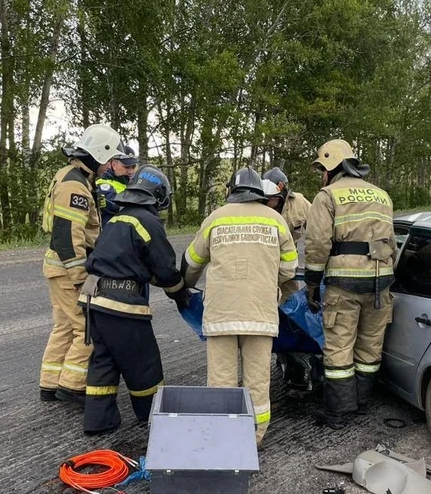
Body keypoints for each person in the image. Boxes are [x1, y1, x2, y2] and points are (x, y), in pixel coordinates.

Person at [182, 167, 298, 445]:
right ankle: (253, 439)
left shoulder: (215, 218)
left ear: (230, 192)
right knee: (257, 381)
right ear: (260, 192)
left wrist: (185, 286)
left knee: (221, 381)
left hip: (221, 314)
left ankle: (222, 441)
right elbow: (290, 268)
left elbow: (191, 263)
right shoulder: (276, 220)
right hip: (260, 313)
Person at [80, 166, 190, 433]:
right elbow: (164, 269)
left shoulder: (117, 219)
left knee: (104, 361)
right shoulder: (148, 222)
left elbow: (133, 265)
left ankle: (98, 422)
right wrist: (181, 294)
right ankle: (151, 415)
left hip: (94, 300)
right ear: (158, 195)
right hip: (122, 306)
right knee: (143, 362)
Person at [304, 139, 395, 430]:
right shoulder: (382, 195)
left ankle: (339, 412)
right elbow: (391, 242)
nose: (321, 175)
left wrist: (311, 284)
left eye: (322, 169)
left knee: (339, 346)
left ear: (332, 166)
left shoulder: (327, 196)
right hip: (381, 281)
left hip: (344, 283)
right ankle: (363, 401)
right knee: (370, 347)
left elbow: (317, 245)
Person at [39, 124, 131, 406]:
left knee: (64, 326)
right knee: (86, 327)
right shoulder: (74, 185)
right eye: (109, 159)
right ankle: (73, 385)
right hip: (69, 269)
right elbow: (68, 234)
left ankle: (50, 383)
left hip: (57, 267)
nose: (110, 166)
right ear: (99, 154)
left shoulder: (71, 177)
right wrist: (80, 276)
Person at [263, 167, 311, 243]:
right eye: (265, 197)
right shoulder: (256, 205)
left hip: (290, 252)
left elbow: (316, 230)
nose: (268, 202)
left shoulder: (299, 202)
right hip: (266, 252)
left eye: (272, 197)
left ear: (283, 195)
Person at [95, 147, 139, 227]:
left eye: (133, 167)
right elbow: (114, 207)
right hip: (110, 233)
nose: (131, 172)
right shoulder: (103, 184)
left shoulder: (133, 184)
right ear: (114, 165)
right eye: (126, 167)